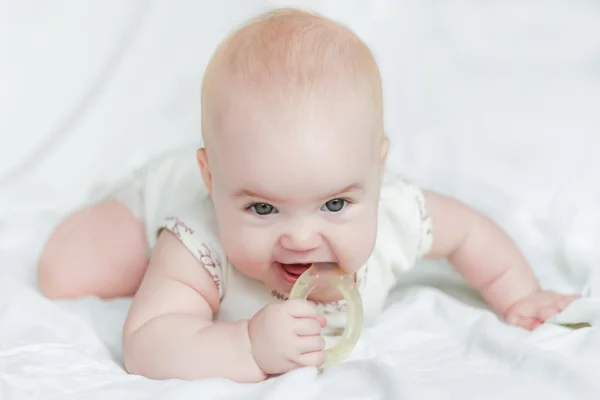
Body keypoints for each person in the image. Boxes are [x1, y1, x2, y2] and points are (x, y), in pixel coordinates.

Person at [37, 8, 579, 382]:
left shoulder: (394, 212)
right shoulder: (200, 243)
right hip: (160, 193)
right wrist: (245, 346)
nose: (300, 237)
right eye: (263, 208)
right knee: (66, 274)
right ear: (213, 182)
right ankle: (128, 203)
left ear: (378, 170)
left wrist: (519, 294)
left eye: (336, 205)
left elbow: (471, 235)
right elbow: (147, 343)